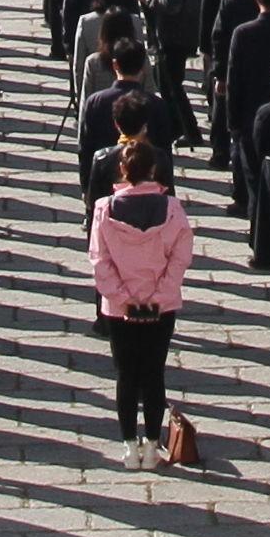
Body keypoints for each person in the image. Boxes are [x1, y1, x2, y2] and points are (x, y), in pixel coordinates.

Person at [90, 138, 196, 469]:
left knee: (125, 374)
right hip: (161, 307)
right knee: (153, 373)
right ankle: (152, 444)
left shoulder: (105, 209)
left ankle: (128, 447)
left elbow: (100, 261)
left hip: (120, 308)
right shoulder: (173, 209)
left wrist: (123, 297)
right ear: (153, 169)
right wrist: (157, 295)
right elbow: (180, 258)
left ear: (123, 169)